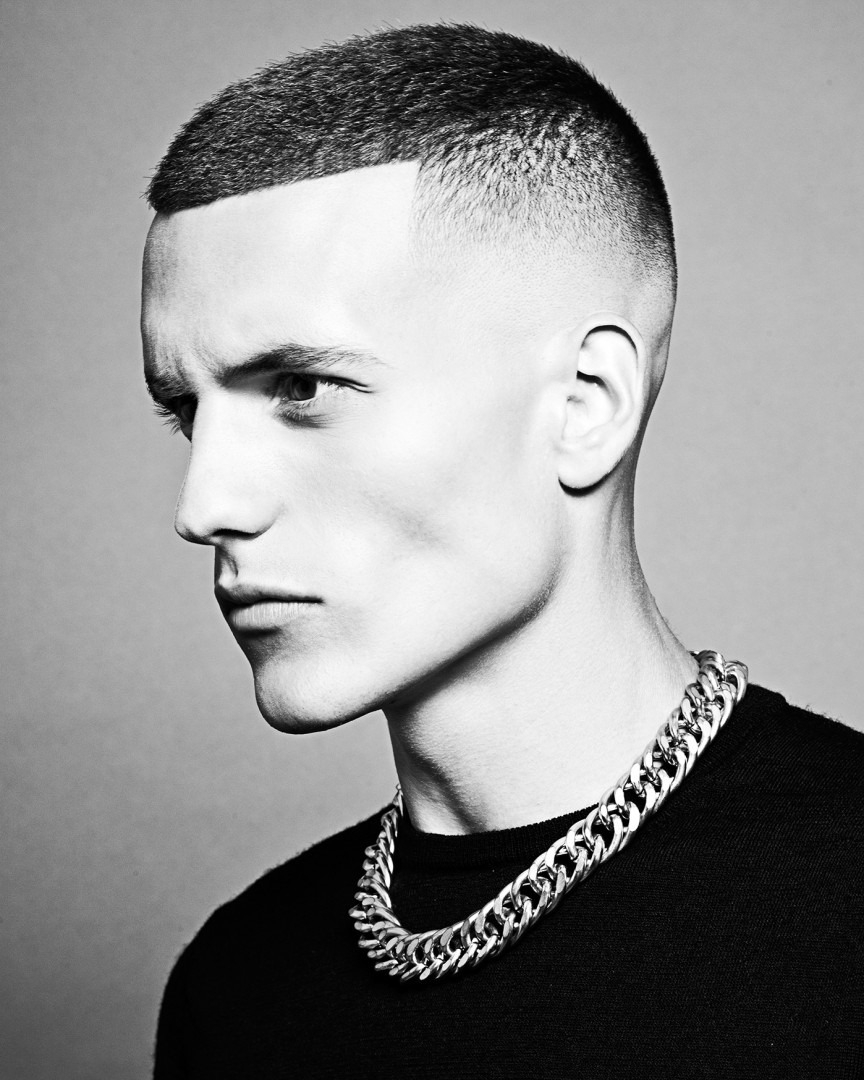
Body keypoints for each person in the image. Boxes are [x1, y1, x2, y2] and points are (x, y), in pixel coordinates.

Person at [141, 24, 864, 1078]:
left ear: (585, 406)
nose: (204, 505)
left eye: (303, 388)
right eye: (185, 412)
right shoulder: (239, 983)